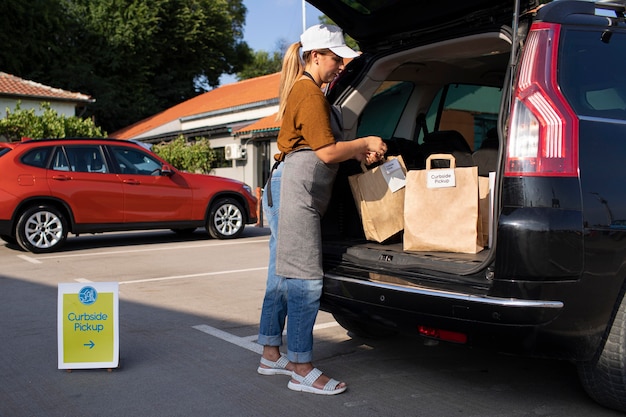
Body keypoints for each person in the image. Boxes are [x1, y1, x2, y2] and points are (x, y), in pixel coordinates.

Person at [256, 24, 387, 396]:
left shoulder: (307, 90)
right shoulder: (309, 93)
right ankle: (300, 367)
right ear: (316, 56)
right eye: (335, 58)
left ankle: (270, 353)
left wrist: (358, 150)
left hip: (290, 184)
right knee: (305, 280)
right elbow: (327, 151)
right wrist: (363, 142)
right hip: (296, 188)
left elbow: (324, 148)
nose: (340, 66)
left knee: (281, 276)